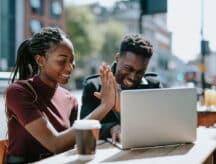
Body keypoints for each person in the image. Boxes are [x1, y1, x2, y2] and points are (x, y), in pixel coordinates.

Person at [5, 27, 116, 163]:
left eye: (72, 60)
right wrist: (105, 106)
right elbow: (55, 144)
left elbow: (68, 145)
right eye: (62, 61)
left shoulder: (70, 100)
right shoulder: (19, 92)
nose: (70, 67)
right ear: (40, 61)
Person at [80, 33, 162, 142]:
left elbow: (160, 123)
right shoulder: (94, 86)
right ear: (117, 58)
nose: (133, 77)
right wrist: (111, 128)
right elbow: (83, 126)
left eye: (140, 72)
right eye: (128, 68)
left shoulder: (153, 86)